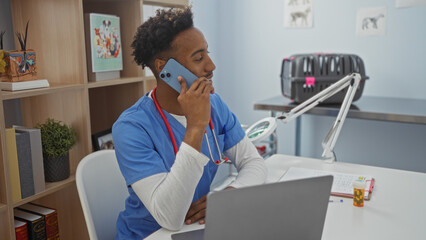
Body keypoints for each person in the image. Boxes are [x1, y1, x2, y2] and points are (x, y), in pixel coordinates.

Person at [112, 7, 267, 239]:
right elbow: (170, 218)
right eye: (198, 58)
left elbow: (254, 163)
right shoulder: (132, 127)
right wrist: (195, 127)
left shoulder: (215, 105)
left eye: (208, 53)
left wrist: (227, 197)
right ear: (164, 68)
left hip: (197, 230)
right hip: (151, 235)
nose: (211, 66)